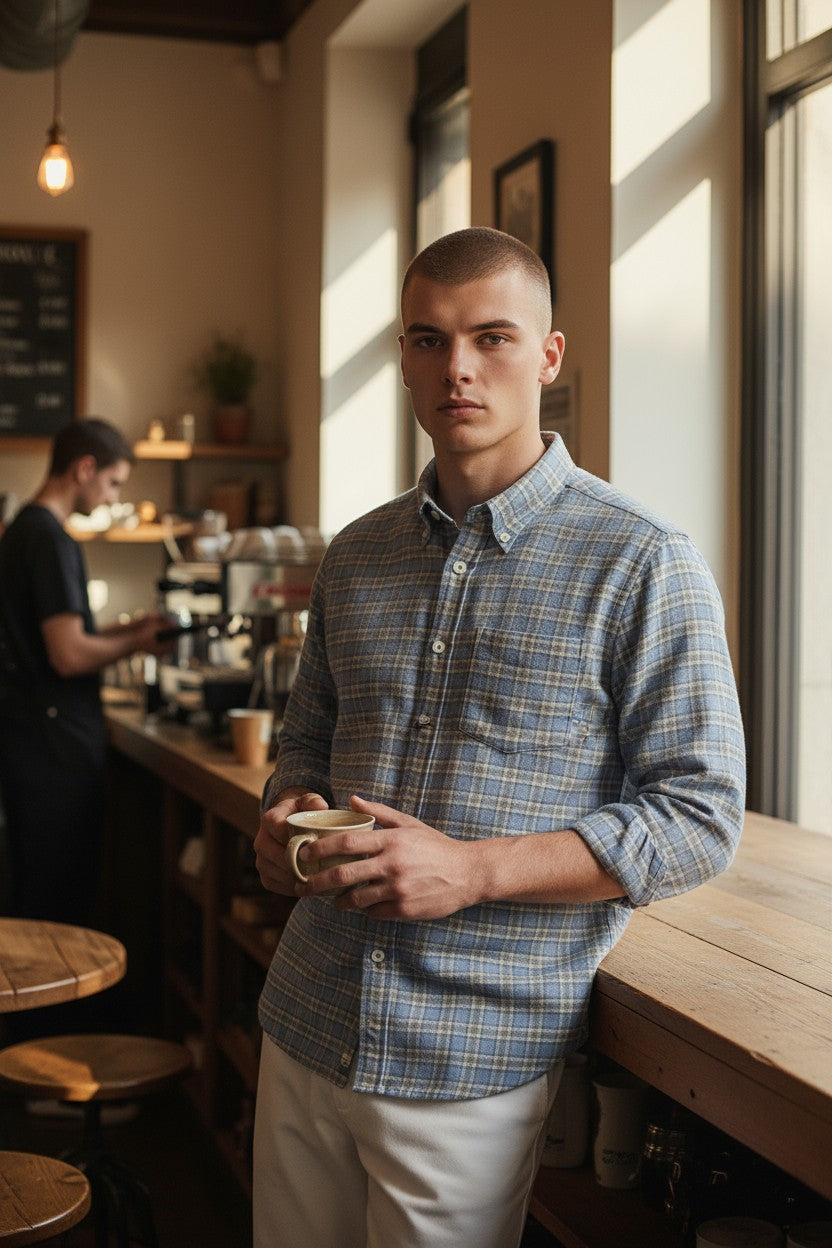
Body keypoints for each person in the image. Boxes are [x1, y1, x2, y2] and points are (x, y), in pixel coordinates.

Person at [251, 227, 746, 1248]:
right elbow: (305, 742)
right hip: (303, 1019)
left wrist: (472, 870)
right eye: (429, 341)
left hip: (470, 1054)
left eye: (492, 337)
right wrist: (284, 814)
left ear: (549, 356)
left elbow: (698, 818)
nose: (459, 368)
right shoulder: (356, 554)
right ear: (404, 358)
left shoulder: (643, 562)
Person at [0, 417, 173, 928]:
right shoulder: (50, 539)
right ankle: (56, 1009)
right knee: (55, 903)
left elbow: (53, 635)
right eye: (113, 482)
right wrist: (138, 642)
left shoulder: (21, 531)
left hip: (30, 741)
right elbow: (68, 654)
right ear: (84, 468)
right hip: (52, 750)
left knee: (36, 893)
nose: (111, 496)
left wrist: (128, 629)